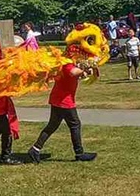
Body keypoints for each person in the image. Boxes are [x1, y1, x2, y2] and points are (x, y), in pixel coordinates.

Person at [27, 30, 98, 163]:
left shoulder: (70, 62)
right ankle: (79, 154)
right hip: (63, 100)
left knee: (52, 126)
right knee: (75, 124)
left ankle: (35, 149)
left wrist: (87, 70)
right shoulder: (66, 63)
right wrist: (89, 64)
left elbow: (79, 74)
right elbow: (72, 72)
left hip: (60, 99)